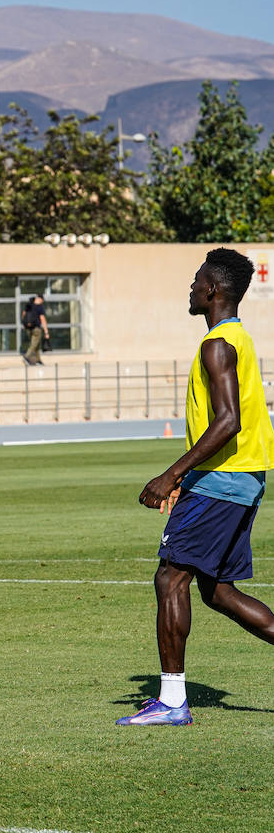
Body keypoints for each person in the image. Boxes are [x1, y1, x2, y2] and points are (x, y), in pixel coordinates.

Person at [118, 248, 274, 726]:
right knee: (219, 592)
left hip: (225, 480)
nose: (190, 287)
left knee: (171, 578)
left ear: (213, 289)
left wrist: (172, 473)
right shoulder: (235, 339)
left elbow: (228, 421)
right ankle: (170, 700)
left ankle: (171, 702)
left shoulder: (218, 344)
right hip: (238, 478)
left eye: (196, 280)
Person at [21, 294, 49, 365]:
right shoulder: (39, 307)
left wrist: (24, 324)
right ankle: (26, 357)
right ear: (40, 299)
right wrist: (46, 332)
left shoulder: (29, 305)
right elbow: (42, 319)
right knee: (34, 344)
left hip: (28, 329)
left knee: (36, 344)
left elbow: (23, 315)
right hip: (36, 328)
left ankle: (38, 360)